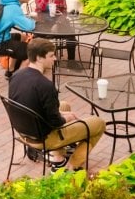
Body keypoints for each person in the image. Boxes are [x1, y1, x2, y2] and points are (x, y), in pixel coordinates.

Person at [8, 37, 106, 172]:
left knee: (64, 105)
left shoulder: (16, 76)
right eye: (51, 55)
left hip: (23, 131)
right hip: (43, 138)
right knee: (98, 123)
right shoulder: (46, 85)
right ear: (39, 58)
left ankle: (58, 158)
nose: (55, 59)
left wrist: (63, 113)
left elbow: (33, 107)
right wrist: (68, 117)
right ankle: (72, 167)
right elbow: (55, 122)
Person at [0, 0, 36, 78]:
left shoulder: (7, 3)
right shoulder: (14, 8)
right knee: (33, 50)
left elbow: (14, 19)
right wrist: (34, 20)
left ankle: (10, 70)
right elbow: (29, 27)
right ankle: (18, 78)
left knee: (23, 37)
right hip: (0, 44)